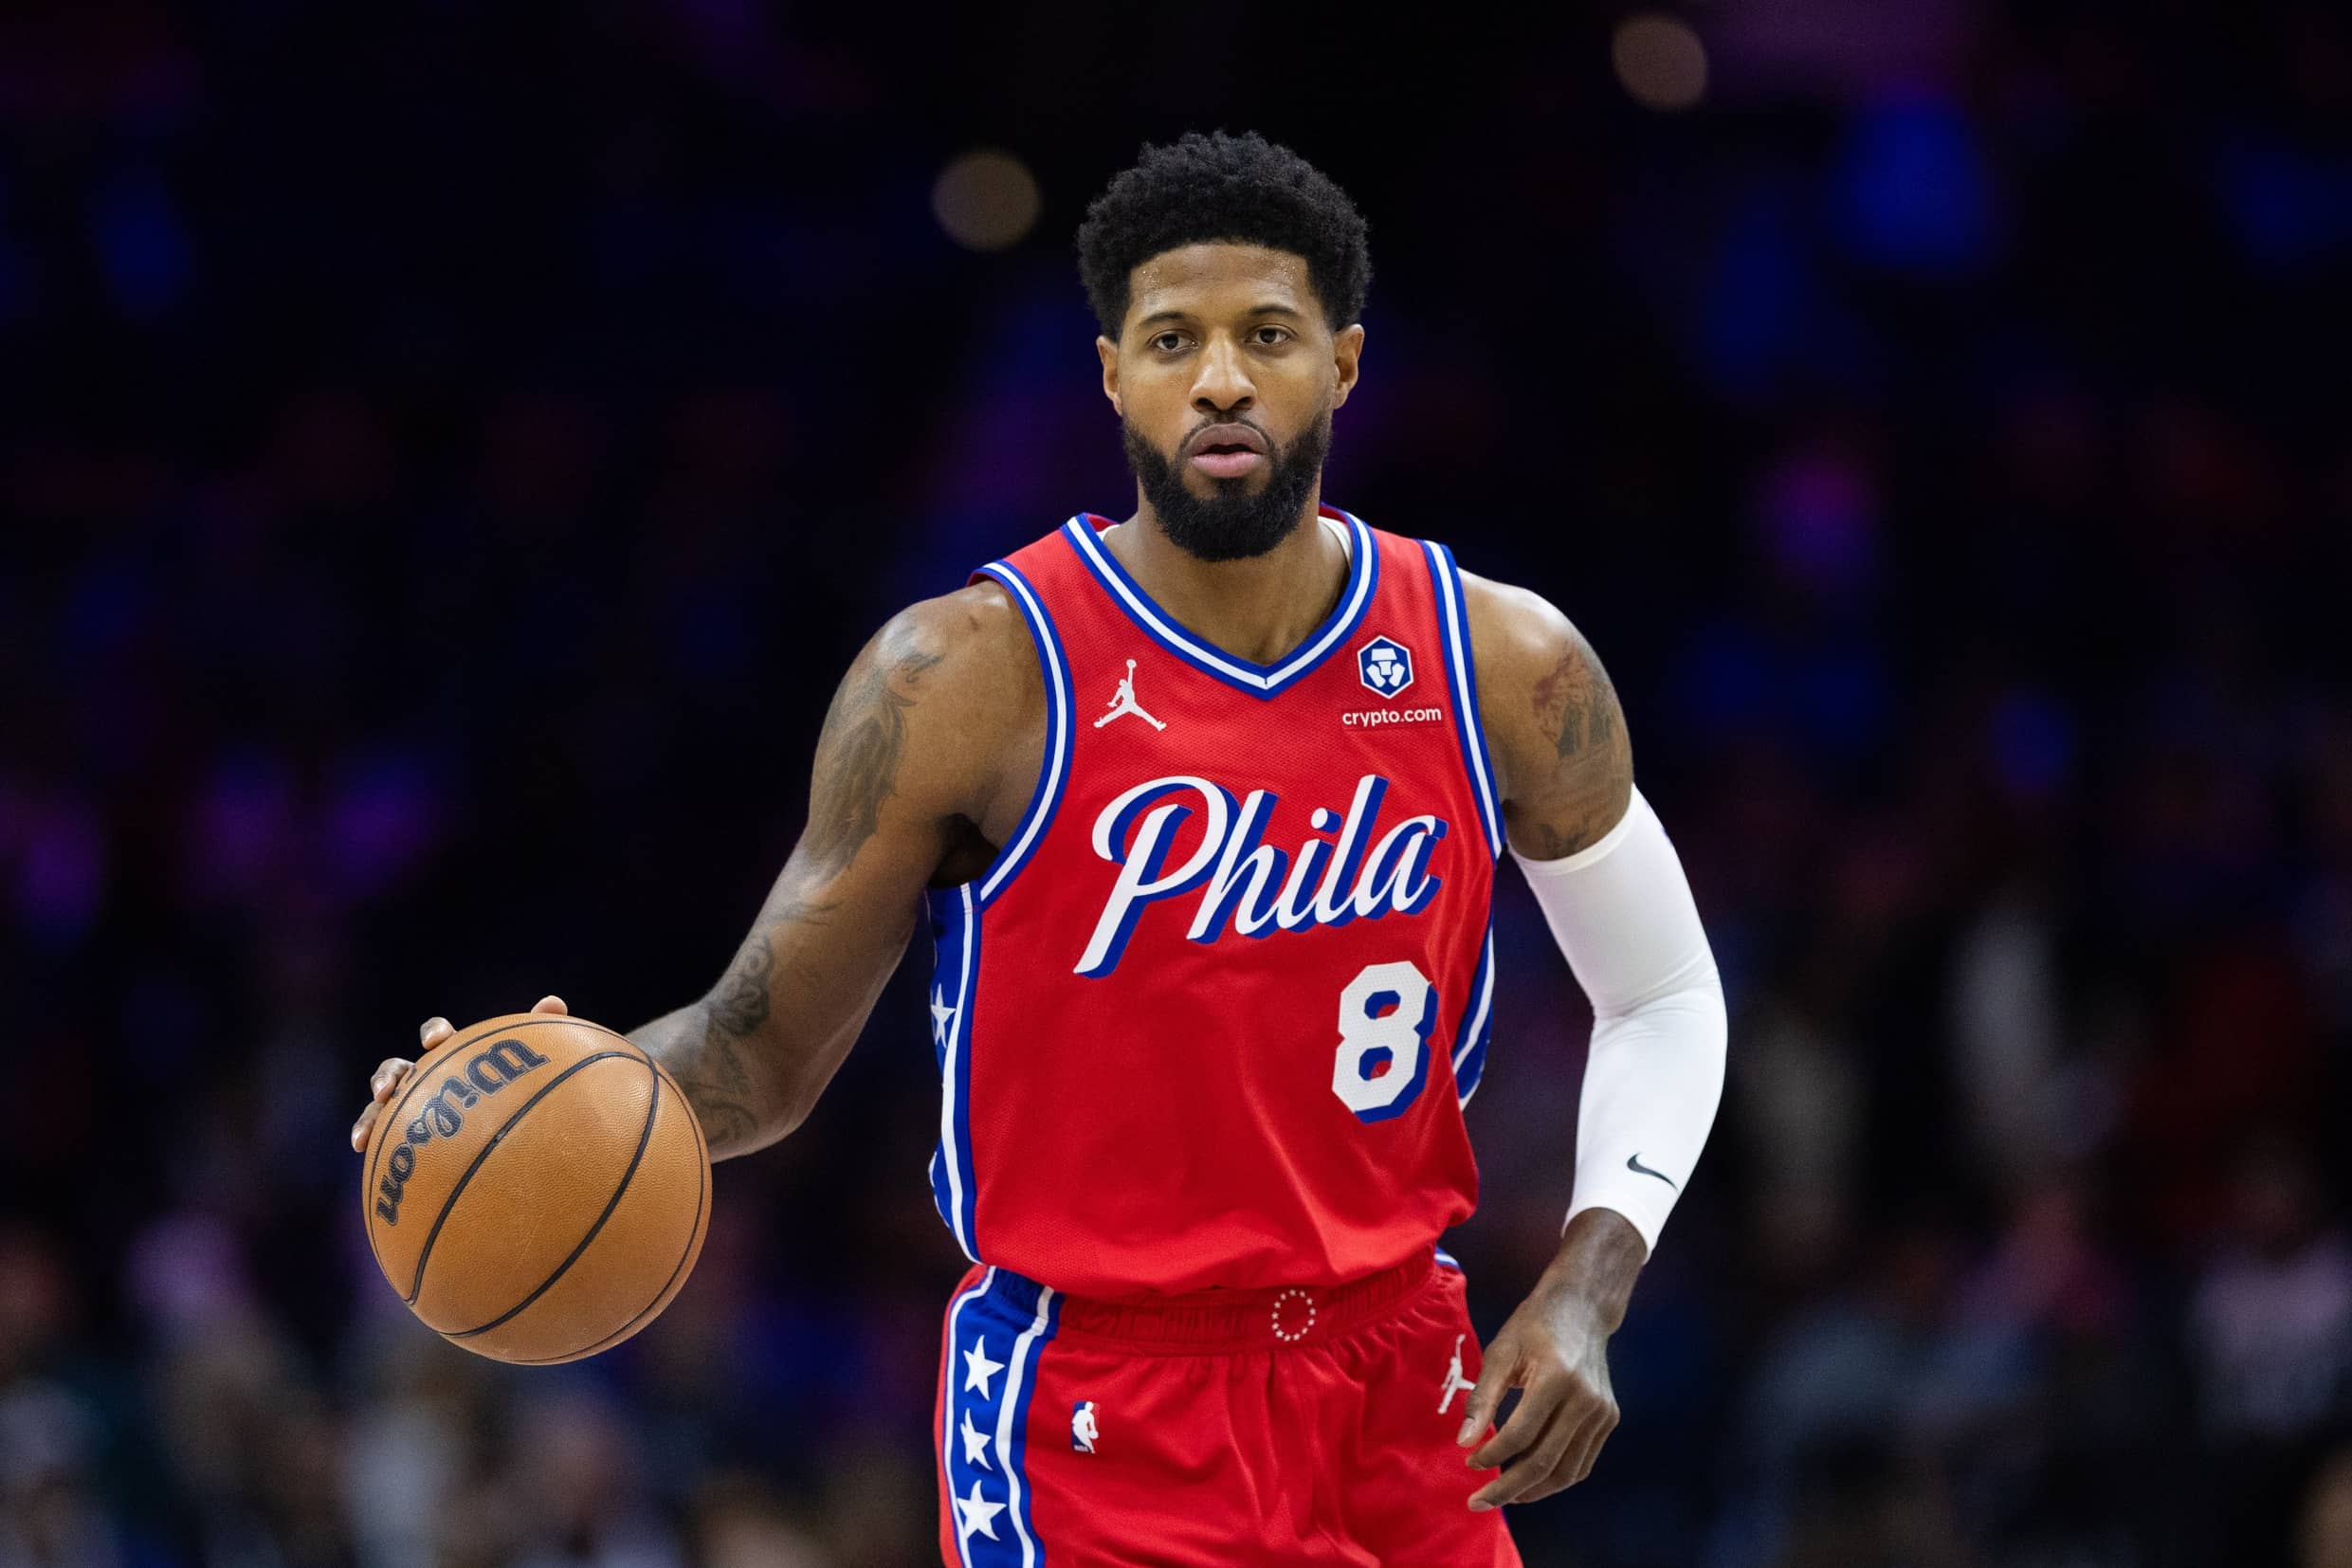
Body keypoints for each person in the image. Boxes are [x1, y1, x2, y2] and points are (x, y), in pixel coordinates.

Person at [351, 130, 1727, 1565]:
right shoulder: (963, 676)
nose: (1219, 378)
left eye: (1268, 334)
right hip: (1095, 1404)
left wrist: (1586, 1275)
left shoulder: (1500, 661)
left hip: (1403, 1373)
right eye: (1171, 338)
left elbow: (1664, 994)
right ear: (1109, 373)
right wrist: (515, 1096)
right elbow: (752, 1057)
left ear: (1345, 363)